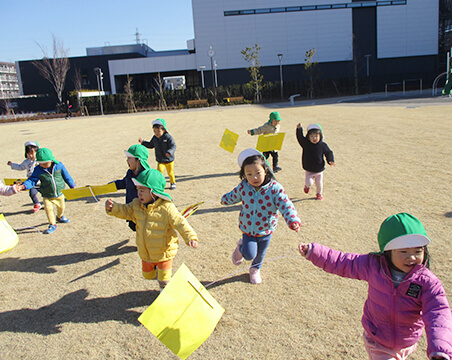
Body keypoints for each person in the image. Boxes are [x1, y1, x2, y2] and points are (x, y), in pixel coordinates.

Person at [298, 213, 452, 360]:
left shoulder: (427, 282)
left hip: (407, 342)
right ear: (388, 251)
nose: (412, 257)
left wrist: (440, 346)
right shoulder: (373, 265)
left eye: (418, 251)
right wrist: (314, 252)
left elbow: (438, 312)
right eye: (403, 251)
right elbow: (343, 262)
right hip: (378, 340)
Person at [105, 169, 198, 290]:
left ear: (154, 192)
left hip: (164, 252)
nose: (139, 194)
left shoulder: (167, 208)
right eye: (138, 190)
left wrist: (191, 237)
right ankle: (160, 276)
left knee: (164, 281)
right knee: (148, 275)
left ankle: (165, 291)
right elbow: (125, 211)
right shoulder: (136, 205)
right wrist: (113, 208)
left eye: (142, 190)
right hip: (146, 252)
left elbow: (181, 222)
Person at [221, 148, 301, 284]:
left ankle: (255, 269)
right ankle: (241, 248)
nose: (254, 177)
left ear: (266, 170)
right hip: (248, 229)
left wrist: (292, 220)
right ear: (244, 175)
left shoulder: (275, 188)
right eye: (249, 174)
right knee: (249, 254)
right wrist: (224, 200)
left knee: (260, 253)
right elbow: (233, 196)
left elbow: (286, 204)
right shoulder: (244, 187)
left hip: (266, 229)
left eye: (258, 172)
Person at [18, 148, 76, 234]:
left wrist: (72, 185)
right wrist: (24, 186)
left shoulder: (59, 166)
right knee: (48, 209)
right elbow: (32, 180)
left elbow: (66, 176)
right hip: (46, 194)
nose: (43, 165)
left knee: (61, 207)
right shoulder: (38, 169)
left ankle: (59, 217)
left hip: (59, 193)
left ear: (51, 160)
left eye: (45, 163)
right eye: (41, 164)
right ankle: (52, 224)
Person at [112, 144, 151, 232]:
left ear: (138, 160)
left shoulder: (146, 176)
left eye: (129, 158)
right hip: (131, 207)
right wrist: (110, 186)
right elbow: (124, 183)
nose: (127, 160)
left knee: (144, 229)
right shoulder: (130, 173)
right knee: (134, 227)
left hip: (142, 210)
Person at [296, 123, 335, 200]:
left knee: (319, 184)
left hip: (319, 169)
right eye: (312, 136)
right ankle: (307, 186)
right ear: (308, 137)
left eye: (316, 136)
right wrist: (299, 129)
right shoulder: (306, 144)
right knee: (309, 182)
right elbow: (300, 138)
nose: (314, 138)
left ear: (320, 136)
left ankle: (319, 194)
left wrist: (330, 160)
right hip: (309, 169)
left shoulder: (322, 145)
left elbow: (328, 152)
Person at [139, 118, 177, 190]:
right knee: (159, 172)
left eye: (158, 131)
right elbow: (151, 145)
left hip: (169, 160)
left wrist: (169, 152)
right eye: (154, 131)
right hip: (160, 160)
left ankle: (173, 182)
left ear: (164, 130)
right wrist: (143, 142)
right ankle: (159, 184)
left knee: (170, 172)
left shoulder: (168, 137)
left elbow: (173, 146)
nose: (156, 133)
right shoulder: (155, 138)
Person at [7, 141, 41, 212]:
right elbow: (20, 167)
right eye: (28, 154)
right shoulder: (26, 162)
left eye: (32, 153)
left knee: (46, 193)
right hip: (31, 182)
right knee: (32, 193)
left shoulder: (40, 161)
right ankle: (37, 204)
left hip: (41, 182)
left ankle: (48, 203)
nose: (30, 156)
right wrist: (12, 165)